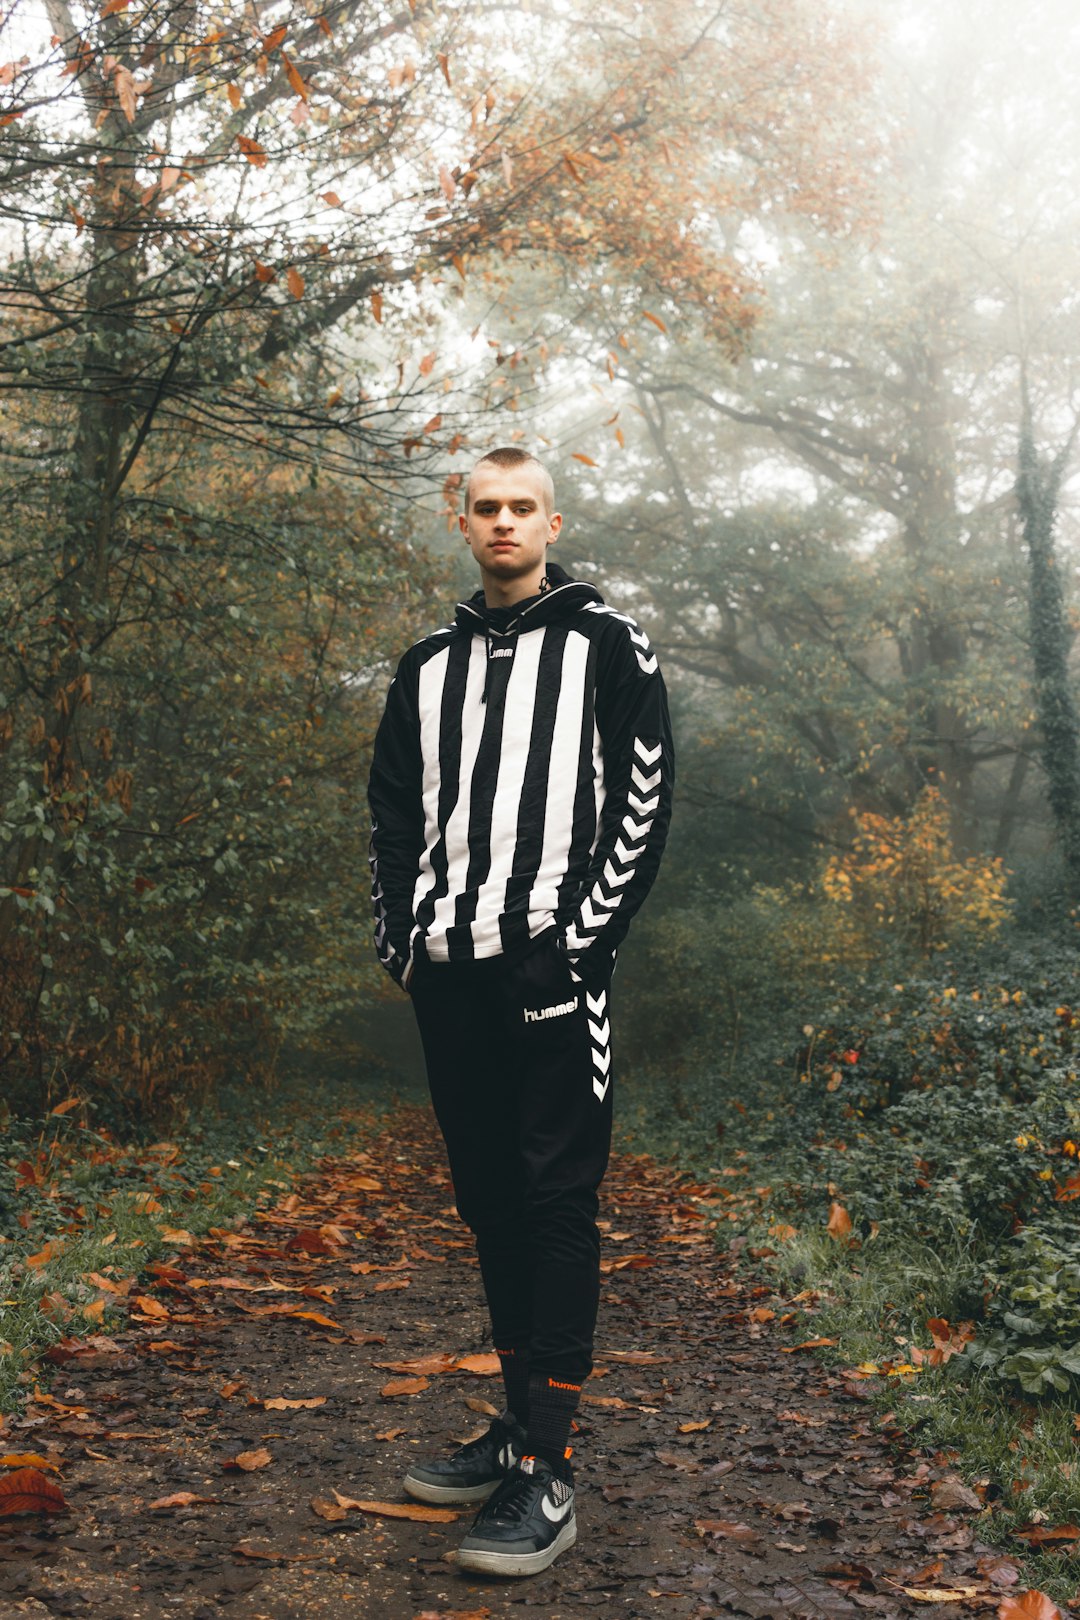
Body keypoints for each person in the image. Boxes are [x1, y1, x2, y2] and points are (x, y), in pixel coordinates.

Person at [366, 446, 673, 1577]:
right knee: (489, 1202)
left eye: (521, 508)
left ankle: (551, 1465)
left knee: (554, 1200)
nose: (503, 523)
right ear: (464, 522)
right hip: (449, 967)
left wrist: (578, 951)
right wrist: (403, 942)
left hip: (549, 968)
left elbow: (643, 797)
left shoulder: (605, 644)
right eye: (485, 508)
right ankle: (515, 1428)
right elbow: (392, 811)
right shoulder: (424, 666)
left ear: (553, 521)